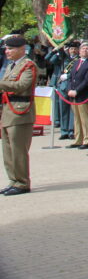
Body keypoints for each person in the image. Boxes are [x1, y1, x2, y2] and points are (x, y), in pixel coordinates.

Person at [0, 34, 37, 195]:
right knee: (7, 149)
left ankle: (22, 182)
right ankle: (13, 180)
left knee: (18, 149)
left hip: (21, 110)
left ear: (21, 49)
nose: (7, 51)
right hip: (8, 110)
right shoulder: (11, 66)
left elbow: (22, 85)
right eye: (6, 49)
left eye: (10, 48)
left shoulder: (28, 65)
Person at [68, 41, 88, 150]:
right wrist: (70, 89)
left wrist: (77, 91)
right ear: (79, 51)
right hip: (73, 95)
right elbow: (70, 77)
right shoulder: (76, 62)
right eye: (83, 49)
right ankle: (78, 139)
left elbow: (87, 80)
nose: (85, 51)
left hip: (84, 94)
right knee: (77, 119)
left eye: (87, 49)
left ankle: (87, 141)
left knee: (86, 119)